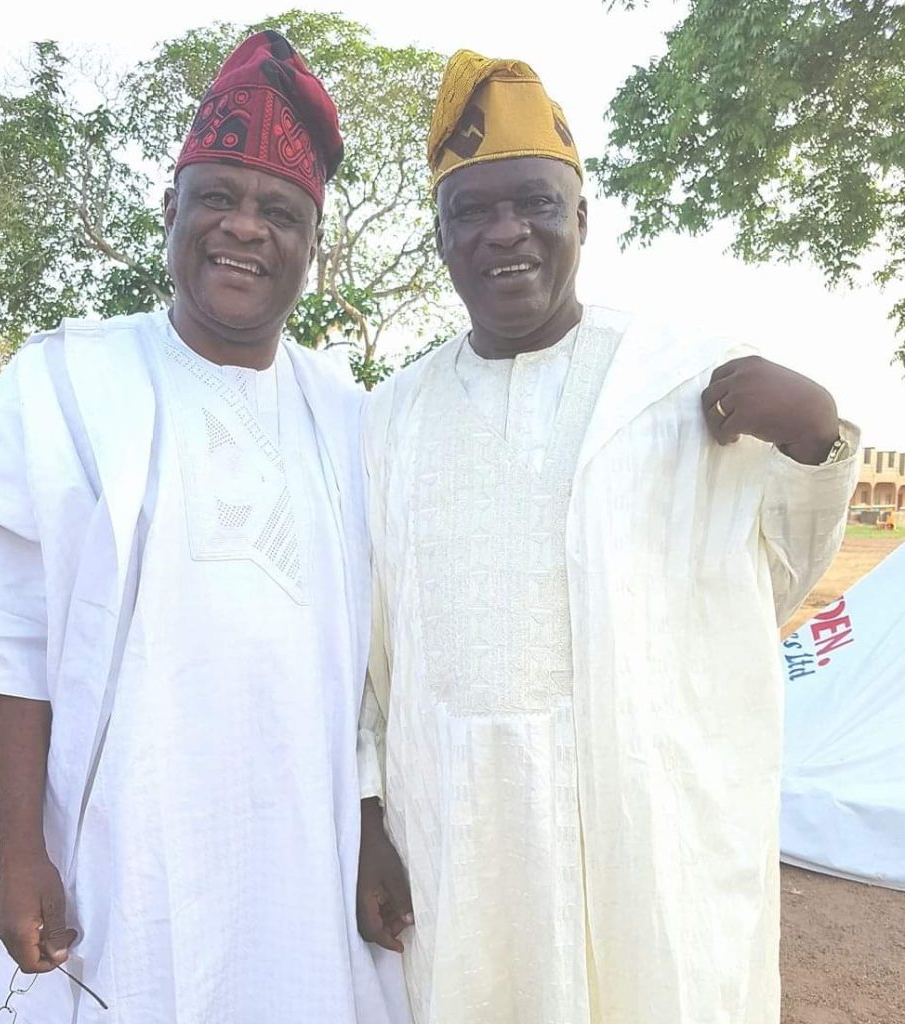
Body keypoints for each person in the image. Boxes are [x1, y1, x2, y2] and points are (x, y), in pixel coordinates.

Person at [0, 31, 405, 1024]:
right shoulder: (66, 382)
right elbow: (12, 637)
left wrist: (370, 828)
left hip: (303, 857)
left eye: (280, 212)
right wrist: (20, 851)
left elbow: (366, 669)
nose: (244, 227)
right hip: (119, 857)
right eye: (217, 196)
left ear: (313, 244)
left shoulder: (349, 415)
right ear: (170, 209)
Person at [356, 48, 860, 1024]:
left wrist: (814, 437)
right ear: (441, 237)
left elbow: (777, 575)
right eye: (473, 211)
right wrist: (369, 816)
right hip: (466, 830)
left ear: (581, 219)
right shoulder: (390, 417)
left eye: (535, 204)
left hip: (645, 826)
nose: (506, 232)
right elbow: (371, 647)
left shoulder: (679, 383)